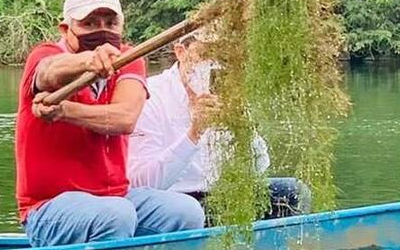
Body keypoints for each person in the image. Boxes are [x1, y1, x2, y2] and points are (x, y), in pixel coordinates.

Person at [15, 0, 205, 247]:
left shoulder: (130, 58)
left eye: (110, 22)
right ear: (66, 29)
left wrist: (65, 112)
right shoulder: (46, 55)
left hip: (117, 198)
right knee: (116, 215)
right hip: (48, 208)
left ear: (121, 26)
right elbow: (47, 72)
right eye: (89, 23)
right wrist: (87, 61)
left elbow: (124, 119)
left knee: (186, 212)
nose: (101, 30)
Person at [127, 31, 310, 219]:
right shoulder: (150, 95)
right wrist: (193, 134)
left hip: (218, 197)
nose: (213, 64)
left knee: (293, 192)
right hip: (173, 204)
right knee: (189, 210)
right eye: (206, 55)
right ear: (181, 52)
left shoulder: (225, 91)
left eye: (222, 56)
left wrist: (245, 132)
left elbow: (258, 170)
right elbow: (143, 184)